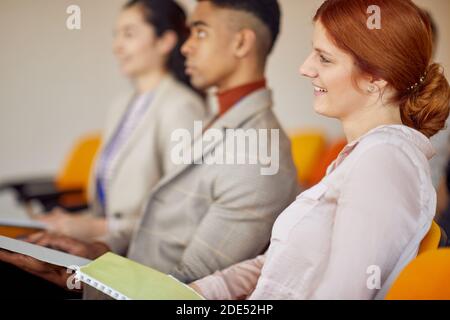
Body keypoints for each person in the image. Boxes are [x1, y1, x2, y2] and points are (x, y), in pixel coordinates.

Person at [0, 0, 299, 297]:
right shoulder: (217, 123)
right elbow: (164, 228)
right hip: (121, 270)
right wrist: (99, 249)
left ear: (241, 43)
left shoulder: (258, 157)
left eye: (201, 32)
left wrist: (79, 279)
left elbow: (185, 289)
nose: (186, 47)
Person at [190, 0, 450, 300]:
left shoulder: (383, 162)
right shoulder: (366, 155)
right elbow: (283, 263)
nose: (305, 68)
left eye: (324, 58)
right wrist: (198, 291)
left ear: (376, 79)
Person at [35, 0, 206, 242]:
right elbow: (107, 206)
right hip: (105, 242)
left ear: (165, 41)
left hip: (142, 255)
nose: (117, 46)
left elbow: (182, 217)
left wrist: (96, 229)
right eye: (116, 35)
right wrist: (70, 222)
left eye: (129, 34)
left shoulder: (182, 107)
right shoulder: (122, 104)